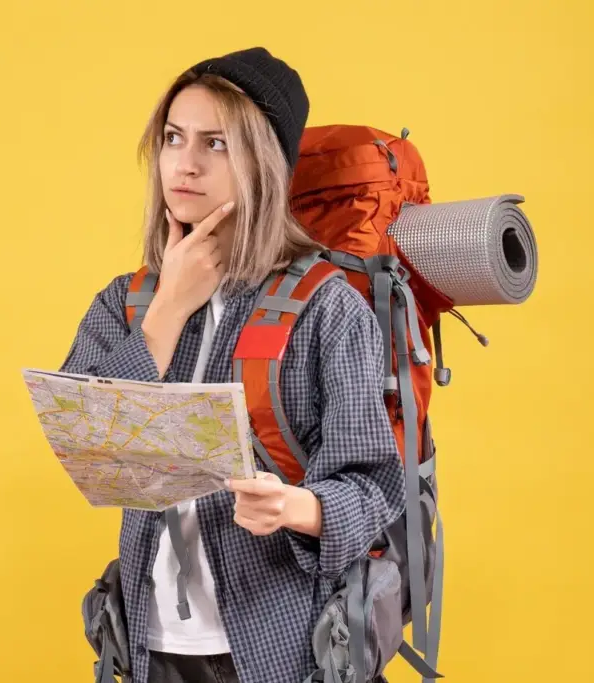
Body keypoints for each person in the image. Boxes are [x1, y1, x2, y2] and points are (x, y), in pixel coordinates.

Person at [59, 47, 407, 683]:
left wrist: (295, 508)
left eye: (215, 144)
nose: (184, 164)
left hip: (281, 645)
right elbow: (89, 448)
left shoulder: (326, 309)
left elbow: (374, 488)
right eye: (173, 138)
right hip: (149, 645)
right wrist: (169, 307)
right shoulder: (124, 301)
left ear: (262, 163)